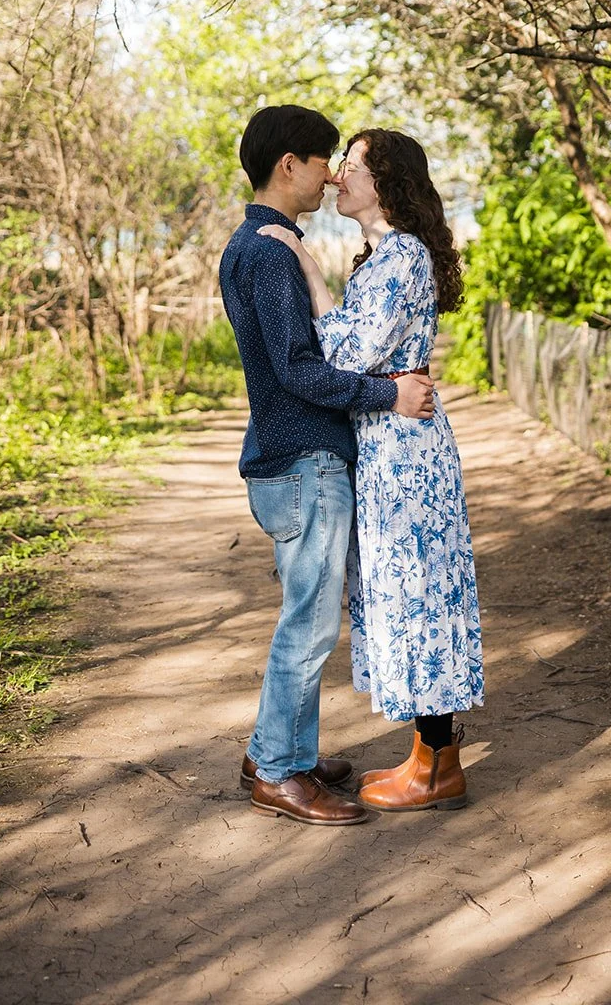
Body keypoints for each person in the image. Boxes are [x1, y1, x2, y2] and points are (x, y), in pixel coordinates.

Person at [218, 105, 436, 828]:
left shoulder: (256, 245)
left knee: (304, 618)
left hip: (294, 458)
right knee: (308, 626)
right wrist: (390, 394)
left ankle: (279, 751)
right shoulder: (272, 254)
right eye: (323, 162)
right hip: (303, 460)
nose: (331, 175)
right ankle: (279, 774)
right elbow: (302, 371)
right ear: (291, 165)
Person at [259, 128, 484, 811]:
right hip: (388, 442)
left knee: (421, 594)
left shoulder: (403, 255)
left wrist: (306, 267)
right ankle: (428, 756)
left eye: (351, 166)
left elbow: (346, 353)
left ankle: (438, 766)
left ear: (386, 181)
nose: (337, 178)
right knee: (403, 595)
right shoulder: (385, 256)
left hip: (406, 451)